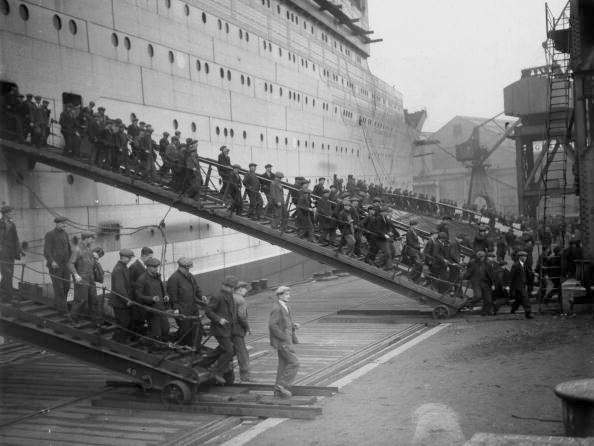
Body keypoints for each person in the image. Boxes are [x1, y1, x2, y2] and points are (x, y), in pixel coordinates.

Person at [205, 275, 238, 384]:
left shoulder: (229, 295)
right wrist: (219, 320)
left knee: (224, 349)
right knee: (229, 350)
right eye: (231, 287)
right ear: (225, 286)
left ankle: (204, 363)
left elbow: (231, 311)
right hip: (219, 329)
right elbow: (208, 311)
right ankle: (216, 372)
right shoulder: (217, 296)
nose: (233, 289)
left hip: (228, 328)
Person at [269, 285, 300, 398]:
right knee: (295, 363)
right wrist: (282, 337)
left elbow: (284, 322)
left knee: (283, 365)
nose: (289, 296)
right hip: (283, 342)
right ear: (279, 295)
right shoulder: (277, 308)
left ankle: (278, 392)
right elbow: (272, 325)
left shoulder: (285, 306)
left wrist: (293, 325)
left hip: (287, 340)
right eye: (286, 294)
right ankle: (282, 386)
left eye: (289, 294)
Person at [167, 257, 204, 349]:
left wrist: (201, 296)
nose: (188, 270)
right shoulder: (174, 278)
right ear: (180, 267)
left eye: (189, 268)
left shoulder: (190, 276)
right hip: (182, 309)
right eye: (186, 268)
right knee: (185, 330)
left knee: (198, 329)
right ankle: (177, 343)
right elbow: (172, 295)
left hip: (193, 308)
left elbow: (196, 288)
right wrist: (175, 308)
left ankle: (195, 346)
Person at [134, 257, 171, 342]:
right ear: (148, 267)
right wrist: (151, 299)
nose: (156, 269)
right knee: (156, 332)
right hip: (151, 310)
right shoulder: (142, 279)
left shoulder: (157, 277)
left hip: (161, 308)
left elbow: (163, 289)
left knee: (166, 328)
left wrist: (166, 295)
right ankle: (155, 349)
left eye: (157, 267)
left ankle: (163, 346)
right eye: (154, 267)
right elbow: (138, 296)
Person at [68, 232, 102, 325]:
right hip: (81, 277)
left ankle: (96, 321)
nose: (93, 240)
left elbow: (88, 261)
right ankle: (73, 318)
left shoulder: (88, 248)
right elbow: (70, 264)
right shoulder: (77, 249)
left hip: (90, 277)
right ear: (86, 238)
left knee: (93, 299)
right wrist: (76, 275)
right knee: (81, 300)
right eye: (92, 238)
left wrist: (94, 258)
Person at [43, 216, 71, 311]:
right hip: (55, 266)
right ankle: (63, 310)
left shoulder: (65, 234)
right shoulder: (50, 234)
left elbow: (69, 249)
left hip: (65, 265)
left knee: (67, 286)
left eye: (65, 223)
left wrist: (71, 262)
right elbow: (47, 251)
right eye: (62, 223)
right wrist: (52, 261)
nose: (64, 225)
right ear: (57, 223)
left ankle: (57, 305)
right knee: (59, 288)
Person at [110, 249, 135, 343]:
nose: (130, 260)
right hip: (119, 302)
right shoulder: (119, 269)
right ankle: (118, 341)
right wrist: (126, 300)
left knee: (124, 322)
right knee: (123, 322)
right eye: (129, 258)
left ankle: (119, 340)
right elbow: (119, 288)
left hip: (121, 301)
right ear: (123, 257)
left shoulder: (123, 267)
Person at [463, 250, 496, 315]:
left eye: (483, 257)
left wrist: (493, 284)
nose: (482, 258)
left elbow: (492, 275)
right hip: (476, 283)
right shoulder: (473, 263)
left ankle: (486, 312)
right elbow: (469, 271)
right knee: (478, 296)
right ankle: (468, 304)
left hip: (486, 283)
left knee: (488, 299)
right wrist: (465, 278)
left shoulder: (487, 264)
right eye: (481, 257)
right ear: (478, 257)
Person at [129, 247, 154, 334]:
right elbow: (131, 285)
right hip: (137, 300)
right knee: (137, 321)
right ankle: (135, 338)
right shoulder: (134, 267)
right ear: (143, 256)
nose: (151, 260)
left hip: (143, 299)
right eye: (150, 258)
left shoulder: (143, 267)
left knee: (142, 320)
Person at [0, 206, 24, 294]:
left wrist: (20, 249)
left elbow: (16, 238)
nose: (13, 214)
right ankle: (8, 295)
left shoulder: (12, 224)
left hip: (10, 252)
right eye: (11, 212)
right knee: (7, 273)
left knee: (9, 273)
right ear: (6, 213)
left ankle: (4, 292)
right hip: (2, 253)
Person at [231, 279, 252, 382]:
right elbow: (242, 316)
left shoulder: (230, 297)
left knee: (228, 351)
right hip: (237, 330)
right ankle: (245, 377)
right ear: (239, 289)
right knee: (242, 353)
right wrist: (247, 327)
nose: (246, 291)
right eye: (245, 289)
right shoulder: (241, 300)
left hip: (227, 329)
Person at [508, 250, 534, 319]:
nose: (525, 258)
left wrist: (534, 274)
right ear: (520, 257)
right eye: (524, 256)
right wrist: (509, 286)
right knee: (525, 299)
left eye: (526, 256)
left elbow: (528, 273)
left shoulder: (524, 264)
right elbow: (511, 276)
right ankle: (528, 313)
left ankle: (513, 310)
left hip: (522, 285)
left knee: (518, 300)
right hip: (517, 286)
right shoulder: (515, 265)